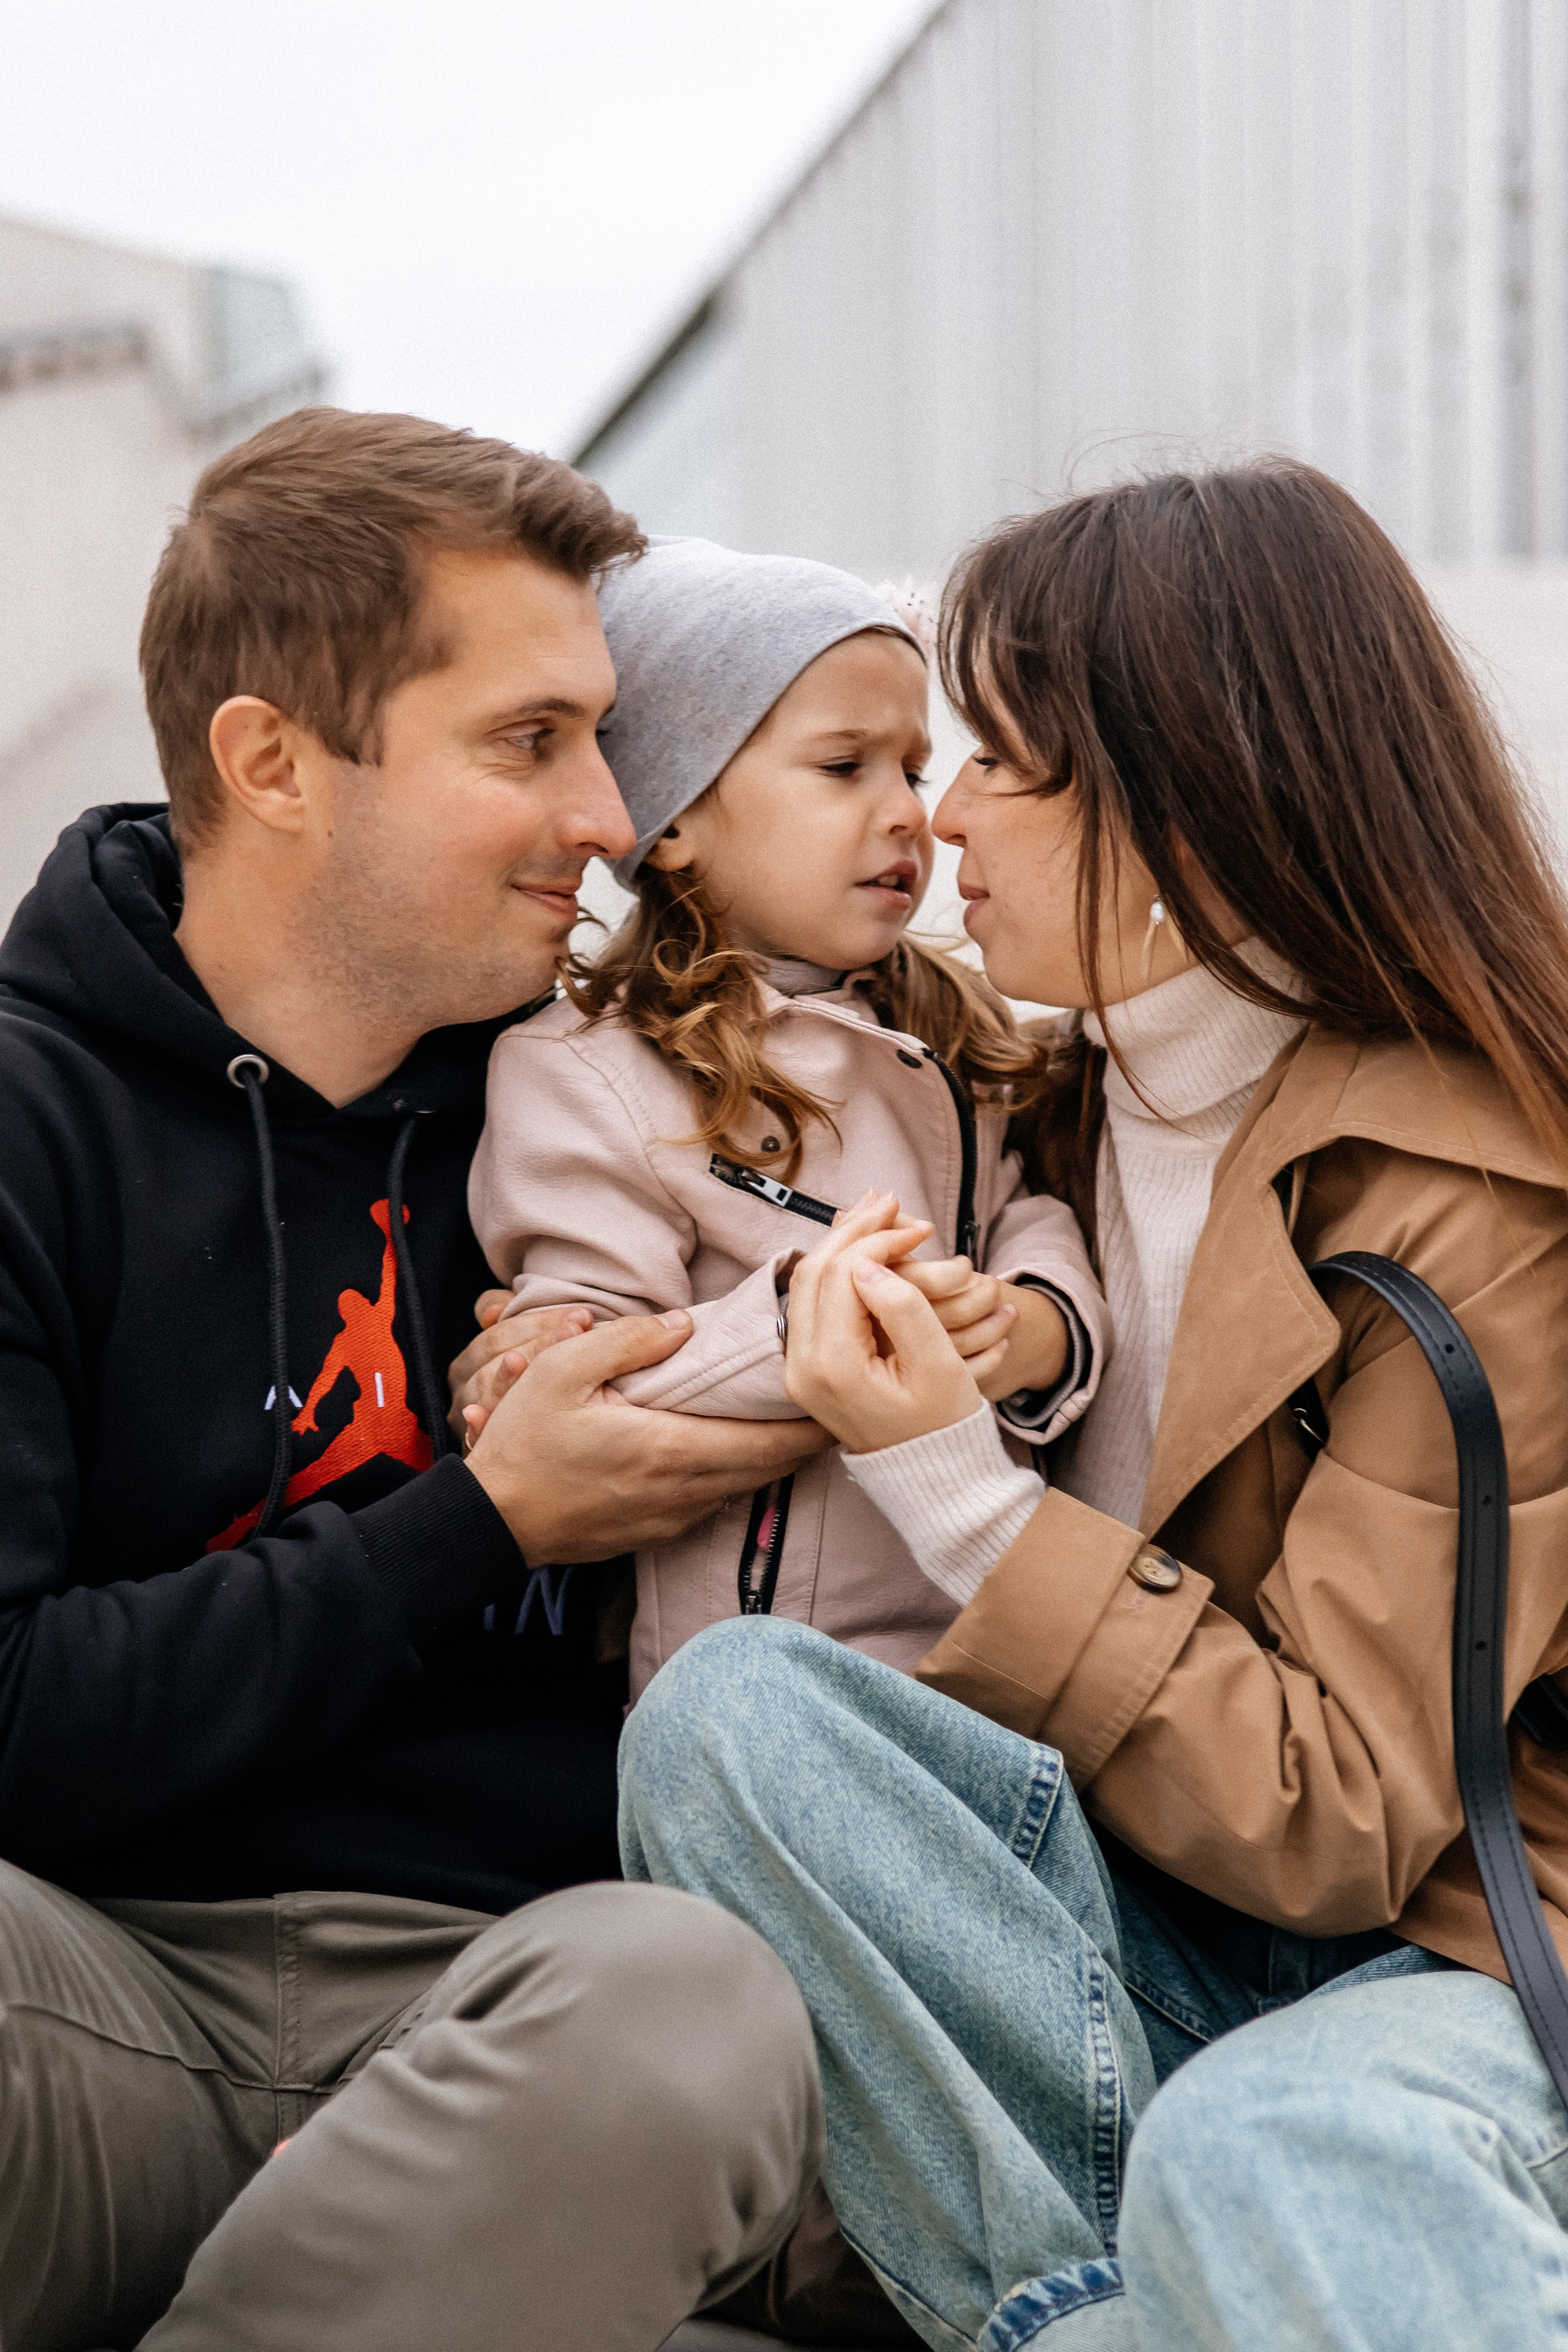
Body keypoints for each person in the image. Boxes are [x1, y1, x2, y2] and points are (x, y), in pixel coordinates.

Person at [618, 459, 1568, 2351]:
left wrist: (963, 1500)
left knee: (1264, 2143)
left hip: (1448, 1942)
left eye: (1010, 767)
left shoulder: (1467, 1193)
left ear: (1192, 796)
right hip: (1138, 1926)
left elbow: (1347, 1816)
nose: (945, 818)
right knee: (728, 1722)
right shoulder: (1022, 1120)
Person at [0, 407, 832, 2352]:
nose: (612, 819)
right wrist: (483, 1524)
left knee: (692, 1998)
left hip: (509, 2037)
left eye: (601, 740)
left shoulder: (623, 1108)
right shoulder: (30, 1123)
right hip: (89, 2000)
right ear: (274, 763)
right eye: (527, 743)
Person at [465, 536, 1107, 1698]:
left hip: (989, 1667)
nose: (909, 813)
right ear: (673, 820)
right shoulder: (589, 1074)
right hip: (763, 1694)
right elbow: (585, 1392)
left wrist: (1033, 1326)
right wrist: (819, 1321)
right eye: (842, 767)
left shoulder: (936, 1032)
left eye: (912, 768)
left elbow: (1024, 1216)